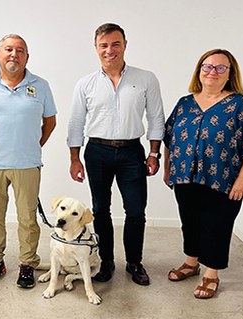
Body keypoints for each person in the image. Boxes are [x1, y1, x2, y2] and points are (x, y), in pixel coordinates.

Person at [163, 49, 243, 299]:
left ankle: (211, 273)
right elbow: (170, 137)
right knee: (189, 220)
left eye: (221, 67)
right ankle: (191, 263)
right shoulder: (185, 103)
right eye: (207, 66)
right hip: (185, 176)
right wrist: (168, 168)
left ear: (230, 73)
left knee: (217, 225)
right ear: (199, 71)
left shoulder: (240, 105)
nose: (213, 71)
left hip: (224, 179)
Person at [67, 23, 165, 286]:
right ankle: (107, 261)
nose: (110, 50)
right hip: (97, 151)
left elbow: (156, 118)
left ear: (124, 44)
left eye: (115, 44)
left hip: (132, 151)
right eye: (104, 45)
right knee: (101, 209)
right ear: (96, 48)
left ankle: (134, 262)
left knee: (135, 210)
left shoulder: (146, 79)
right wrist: (74, 158)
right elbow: (76, 122)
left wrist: (154, 153)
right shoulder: (85, 84)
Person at [0, 34, 57, 288]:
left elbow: (50, 122)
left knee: (27, 218)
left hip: (27, 164)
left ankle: (27, 263)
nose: (14, 54)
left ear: (27, 57)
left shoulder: (40, 85)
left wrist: (32, 145)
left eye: (20, 51)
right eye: (8, 49)